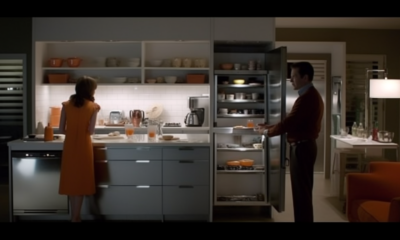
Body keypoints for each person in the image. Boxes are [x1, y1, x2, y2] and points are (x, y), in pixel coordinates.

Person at [257, 61, 324, 222]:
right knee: (302, 192)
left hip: (302, 149)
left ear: (305, 77)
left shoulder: (307, 98)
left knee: (301, 193)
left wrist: (267, 131)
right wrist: (270, 126)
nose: (291, 80)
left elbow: (289, 123)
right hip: (304, 147)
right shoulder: (308, 95)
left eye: (294, 76)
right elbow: (294, 122)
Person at [58, 76, 101, 222]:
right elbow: (91, 130)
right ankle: (76, 217)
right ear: (90, 90)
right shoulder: (94, 107)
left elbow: (61, 130)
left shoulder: (66, 105)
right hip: (84, 146)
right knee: (81, 181)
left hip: (70, 146)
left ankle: (73, 217)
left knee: (71, 180)